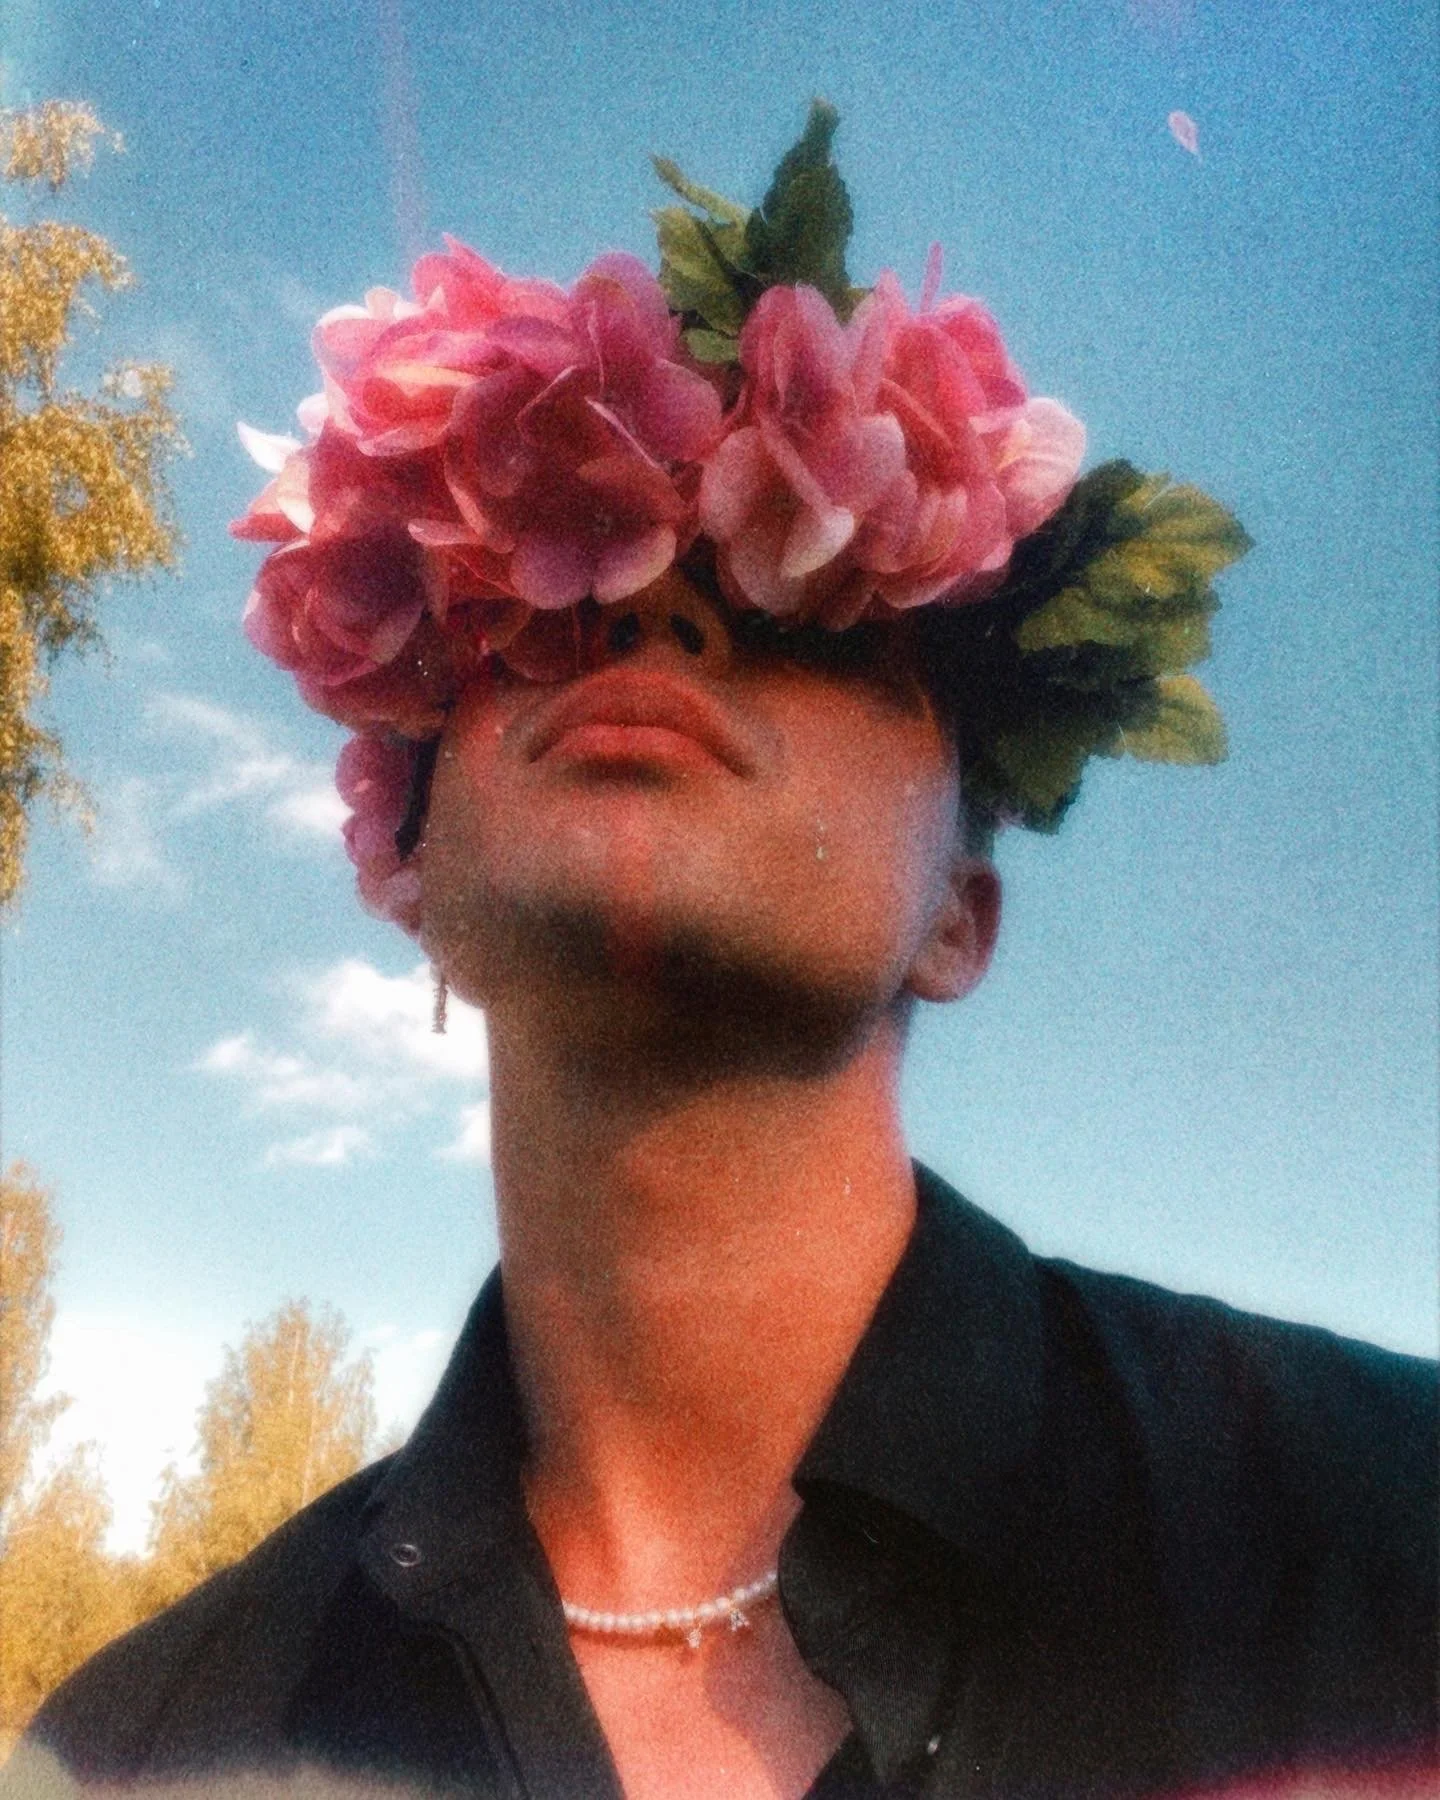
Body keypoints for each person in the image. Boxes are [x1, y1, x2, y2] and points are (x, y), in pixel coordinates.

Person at [11, 109, 1435, 1800]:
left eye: (810, 610)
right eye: (525, 606)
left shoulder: (1394, 1531)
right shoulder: (134, 1754)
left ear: (961, 918)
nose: (646, 609)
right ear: (413, 872)